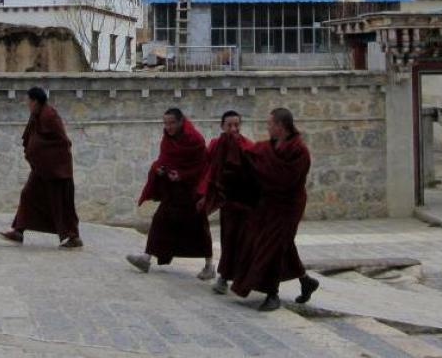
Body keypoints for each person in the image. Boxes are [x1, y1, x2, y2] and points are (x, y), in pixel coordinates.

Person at [230, 108, 320, 311]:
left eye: (270, 124)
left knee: (273, 246)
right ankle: (306, 281)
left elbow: (284, 180)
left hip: (288, 205)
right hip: (268, 204)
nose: (267, 127)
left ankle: (272, 293)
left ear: (280, 126)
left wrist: (262, 173)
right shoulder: (269, 146)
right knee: (282, 245)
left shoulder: (299, 151)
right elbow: (251, 154)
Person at [127, 108, 214, 279]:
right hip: (173, 191)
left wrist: (182, 175)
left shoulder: (194, 139)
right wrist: (159, 169)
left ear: (181, 121)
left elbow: (202, 166)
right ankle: (146, 258)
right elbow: (165, 159)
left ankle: (209, 266)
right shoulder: (168, 138)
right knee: (160, 220)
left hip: (191, 191)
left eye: (172, 123)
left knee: (199, 228)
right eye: (165, 123)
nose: (168, 127)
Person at [0, 87, 83, 248]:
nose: (27, 104)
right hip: (42, 169)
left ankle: (73, 237)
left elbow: (62, 142)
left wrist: (44, 154)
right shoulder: (37, 115)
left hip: (57, 170)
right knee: (28, 195)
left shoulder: (50, 116)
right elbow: (33, 137)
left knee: (61, 204)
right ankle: (18, 231)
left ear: (35, 101)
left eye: (28, 101)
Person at [197, 110, 256, 295]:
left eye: (236, 125)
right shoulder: (216, 146)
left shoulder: (248, 146)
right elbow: (211, 171)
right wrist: (205, 195)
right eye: (229, 125)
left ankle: (243, 279)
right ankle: (223, 278)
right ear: (222, 126)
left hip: (246, 202)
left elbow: (256, 172)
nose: (233, 129)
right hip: (228, 202)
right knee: (228, 240)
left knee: (245, 242)